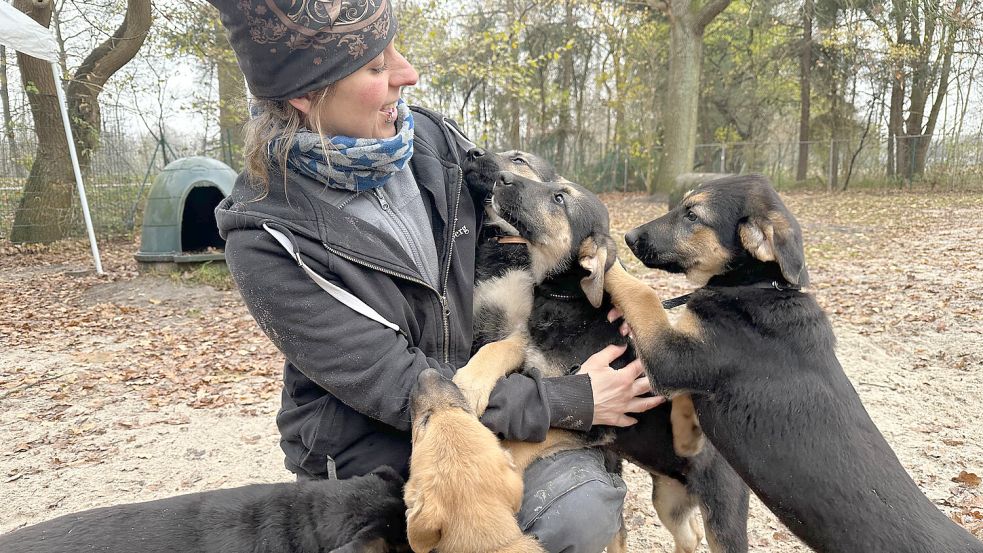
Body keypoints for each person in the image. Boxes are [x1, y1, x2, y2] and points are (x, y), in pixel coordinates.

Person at [208, 1, 664, 551]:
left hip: (498, 403)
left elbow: (550, 217)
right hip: (388, 444)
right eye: (376, 68)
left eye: (395, 51)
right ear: (305, 96)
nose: (408, 74)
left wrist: (616, 287)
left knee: (579, 509)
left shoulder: (430, 140)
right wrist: (569, 401)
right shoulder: (267, 234)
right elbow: (402, 386)